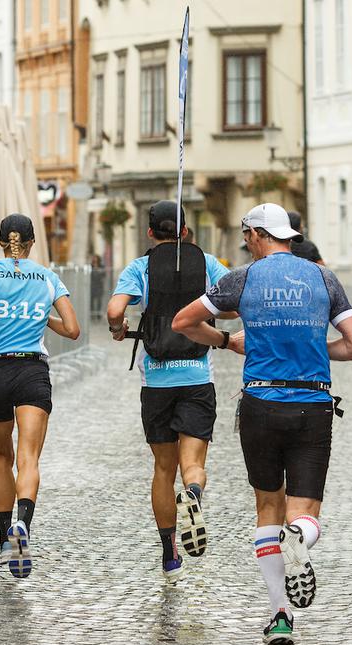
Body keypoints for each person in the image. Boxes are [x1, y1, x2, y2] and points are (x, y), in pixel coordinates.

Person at [172, 202, 352, 645]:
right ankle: (298, 537)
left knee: (267, 507)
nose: (246, 243)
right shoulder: (323, 278)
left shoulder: (242, 278)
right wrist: (318, 346)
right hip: (313, 403)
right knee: (304, 512)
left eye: (247, 236)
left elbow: (183, 321)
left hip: (260, 400)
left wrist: (225, 340)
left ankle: (280, 614)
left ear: (259, 235)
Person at [106, 200, 231, 583]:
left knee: (163, 467)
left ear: (149, 233)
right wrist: (205, 313)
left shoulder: (140, 268)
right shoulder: (207, 263)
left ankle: (170, 553)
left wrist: (119, 328)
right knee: (193, 464)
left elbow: (114, 310)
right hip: (196, 377)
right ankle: (193, 492)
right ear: (185, 231)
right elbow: (232, 304)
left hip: (156, 381)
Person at [0, 213, 80, 579]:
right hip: (31, 371)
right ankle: (23, 523)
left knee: (1, 454)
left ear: (0, 242)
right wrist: (43, 318)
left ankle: (2, 541)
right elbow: (72, 329)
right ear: (31, 243)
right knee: (28, 458)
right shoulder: (47, 277)